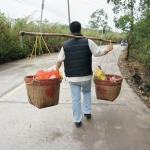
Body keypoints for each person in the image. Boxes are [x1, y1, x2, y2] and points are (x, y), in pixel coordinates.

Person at [56, 21, 113, 127]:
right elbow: (98, 52)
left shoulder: (65, 45)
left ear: (70, 31)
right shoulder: (88, 41)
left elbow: (59, 60)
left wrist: (55, 71)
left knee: (75, 98)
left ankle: (77, 120)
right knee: (87, 92)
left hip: (73, 79)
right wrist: (108, 50)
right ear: (81, 30)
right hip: (86, 76)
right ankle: (87, 112)